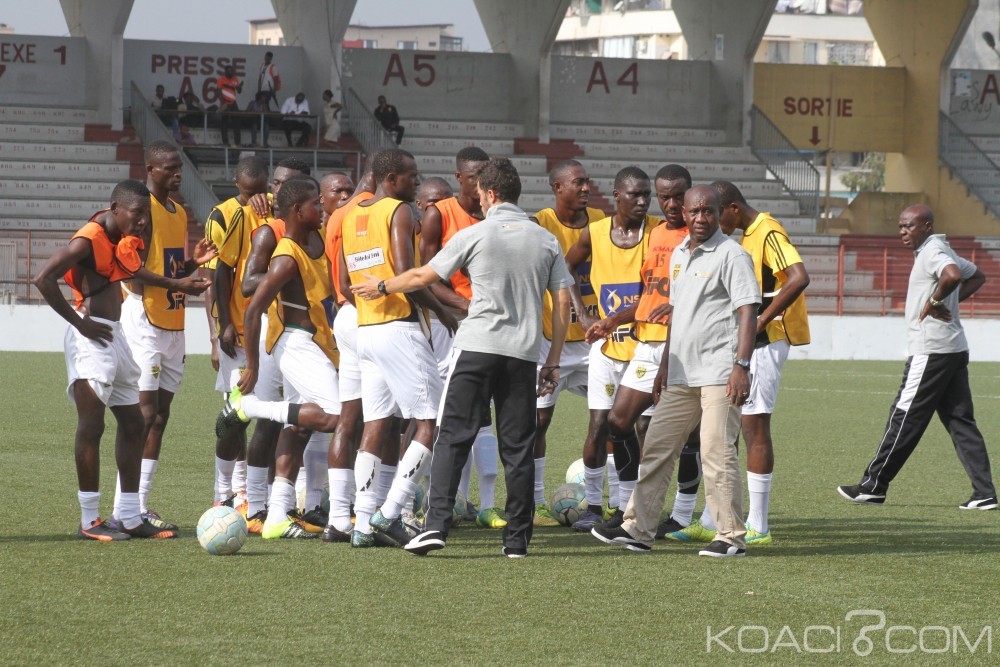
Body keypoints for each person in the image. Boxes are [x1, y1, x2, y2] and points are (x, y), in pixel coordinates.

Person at [352, 157, 575, 558]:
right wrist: (554, 358)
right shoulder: (545, 240)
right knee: (518, 446)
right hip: (522, 354)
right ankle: (517, 540)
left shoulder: (476, 233)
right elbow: (561, 303)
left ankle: (436, 526)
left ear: (489, 194)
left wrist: (382, 285)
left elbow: (423, 276)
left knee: (453, 436)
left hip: (476, 349)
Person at [591, 185, 760, 558]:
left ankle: (731, 537)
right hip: (681, 372)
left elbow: (749, 311)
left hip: (719, 371)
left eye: (708, 212)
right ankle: (638, 529)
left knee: (717, 453)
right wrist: (666, 364)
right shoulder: (680, 254)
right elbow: (679, 313)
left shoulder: (733, 255)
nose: (701, 219)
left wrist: (741, 366)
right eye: (694, 212)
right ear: (683, 214)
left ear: (719, 213)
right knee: (656, 447)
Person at [32, 180, 178, 540]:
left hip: (115, 334)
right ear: (115, 209)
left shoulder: (124, 239)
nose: (143, 220)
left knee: (134, 423)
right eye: (137, 213)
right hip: (90, 337)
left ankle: (129, 516)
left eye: (146, 213)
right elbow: (43, 278)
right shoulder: (87, 239)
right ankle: (89, 520)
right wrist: (80, 323)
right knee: (92, 425)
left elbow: (132, 273)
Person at [837, 205, 996, 510]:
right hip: (952, 348)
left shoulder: (933, 251)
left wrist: (937, 301)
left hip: (932, 351)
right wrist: (947, 299)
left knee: (905, 416)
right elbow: (975, 276)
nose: (903, 232)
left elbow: (951, 275)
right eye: (900, 227)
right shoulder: (940, 248)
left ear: (926, 226)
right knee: (961, 422)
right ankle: (985, 493)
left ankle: (873, 486)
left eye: (909, 226)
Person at [338, 148, 456, 548]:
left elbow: (343, 283)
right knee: (428, 423)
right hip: (398, 330)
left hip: (366, 330)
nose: (416, 182)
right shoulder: (398, 211)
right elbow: (408, 276)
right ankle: (392, 513)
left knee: (375, 425)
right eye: (411, 176)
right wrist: (447, 314)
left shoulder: (351, 213)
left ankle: (362, 523)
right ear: (391, 179)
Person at [222, 177, 342, 539]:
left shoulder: (317, 238)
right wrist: (254, 367)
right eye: (314, 205)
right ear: (297, 210)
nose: (320, 210)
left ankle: (276, 515)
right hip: (297, 343)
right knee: (334, 416)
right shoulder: (287, 255)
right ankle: (251, 409)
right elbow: (253, 305)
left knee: (300, 426)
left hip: (320, 343)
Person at [587, 165, 700, 538]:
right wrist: (612, 321)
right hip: (646, 341)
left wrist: (669, 355)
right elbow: (649, 294)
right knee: (619, 423)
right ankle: (626, 507)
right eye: (663, 196)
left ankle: (682, 515)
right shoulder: (655, 235)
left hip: (681, 347)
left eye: (677, 196)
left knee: (684, 435)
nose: (670, 203)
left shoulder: (698, 237)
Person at [113, 141, 216, 532]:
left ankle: (140, 504)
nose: (177, 173)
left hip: (173, 319)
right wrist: (179, 281)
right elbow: (130, 268)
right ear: (150, 169)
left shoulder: (177, 210)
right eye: (170, 167)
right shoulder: (143, 211)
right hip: (143, 319)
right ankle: (127, 508)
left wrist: (192, 263)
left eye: (180, 168)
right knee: (141, 416)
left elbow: (168, 265)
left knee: (160, 416)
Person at [563, 166, 659, 532]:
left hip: (645, 348)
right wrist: (584, 315)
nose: (642, 201)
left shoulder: (657, 233)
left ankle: (631, 508)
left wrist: (612, 319)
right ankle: (593, 506)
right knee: (599, 426)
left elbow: (656, 292)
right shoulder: (596, 232)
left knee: (643, 429)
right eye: (635, 195)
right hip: (606, 350)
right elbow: (565, 268)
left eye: (645, 195)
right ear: (616, 196)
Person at [715, 180, 811, 545]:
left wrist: (762, 318)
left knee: (754, 426)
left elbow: (799, 277)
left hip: (767, 342)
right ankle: (719, 517)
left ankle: (759, 526)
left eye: (716, 213)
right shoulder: (748, 236)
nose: (713, 220)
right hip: (751, 342)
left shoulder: (767, 231)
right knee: (729, 427)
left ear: (734, 208)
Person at [418, 146, 503, 529]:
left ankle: (483, 505)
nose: (481, 182)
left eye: (486, 175)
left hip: (488, 328)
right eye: (474, 176)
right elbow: (426, 275)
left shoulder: (495, 215)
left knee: (481, 413)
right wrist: (463, 308)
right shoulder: (441, 214)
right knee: (442, 415)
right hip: (446, 325)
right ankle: (443, 502)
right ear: (460, 178)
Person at [529, 159, 605, 527]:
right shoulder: (540, 223)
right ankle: (536, 501)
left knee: (609, 419)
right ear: (558, 188)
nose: (586, 188)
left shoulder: (602, 221)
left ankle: (606, 503)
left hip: (595, 341)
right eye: (578, 182)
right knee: (539, 420)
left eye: (587, 181)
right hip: (551, 339)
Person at [209, 157, 271, 511]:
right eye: (248, 193)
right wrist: (221, 327)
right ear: (236, 186)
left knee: (269, 416)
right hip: (239, 331)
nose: (254, 199)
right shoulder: (225, 216)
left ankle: (253, 492)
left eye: (260, 192)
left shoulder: (279, 211)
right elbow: (218, 274)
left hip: (272, 332)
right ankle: (226, 491)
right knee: (236, 415)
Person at [321, 165, 376, 543]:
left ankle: (339, 518)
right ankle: (375, 515)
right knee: (381, 419)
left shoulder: (337, 218)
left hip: (344, 313)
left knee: (350, 417)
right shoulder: (371, 211)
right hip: (370, 314)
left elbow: (339, 276)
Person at [217, 65, 243, 147]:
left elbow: (239, 91)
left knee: (237, 122)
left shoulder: (235, 78)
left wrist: (240, 87)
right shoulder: (221, 79)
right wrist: (223, 103)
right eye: (229, 71)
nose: (231, 72)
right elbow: (219, 92)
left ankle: (237, 143)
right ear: (226, 71)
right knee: (224, 123)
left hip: (233, 103)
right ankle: (225, 142)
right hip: (225, 102)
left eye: (232, 71)